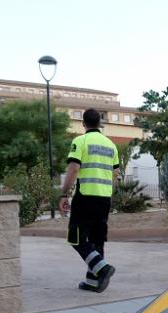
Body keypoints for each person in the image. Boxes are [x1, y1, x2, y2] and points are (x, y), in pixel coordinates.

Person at [58, 108, 118, 293]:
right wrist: (109, 195)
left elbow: (74, 169)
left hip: (85, 197)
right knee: (97, 239)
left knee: (75, 237)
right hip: (104, 198)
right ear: (100, 123)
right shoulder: (111, 145)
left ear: (83, 124)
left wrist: (63, 194)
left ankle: (102, 268)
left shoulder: (80, 141)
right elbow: (115, 175)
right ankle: (93, 282)